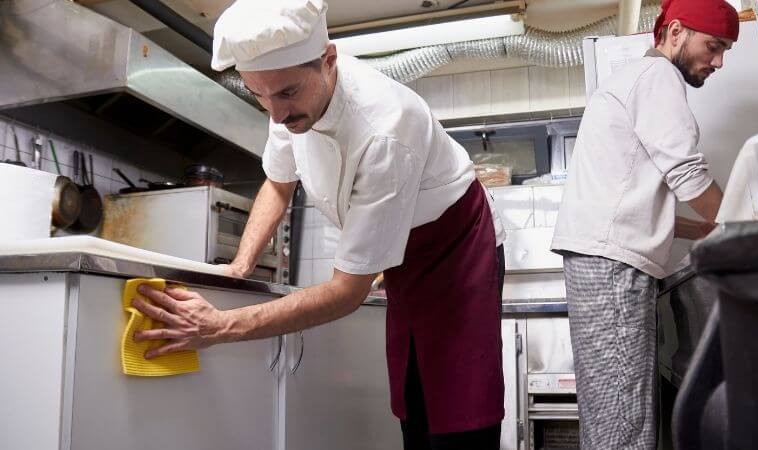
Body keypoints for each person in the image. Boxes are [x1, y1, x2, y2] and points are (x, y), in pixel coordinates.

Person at [131, 0, 507, 448]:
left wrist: (220, 327)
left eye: (286, 94)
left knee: (459, 405)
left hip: (455, 249)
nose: (274, 113)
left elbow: (345, 292)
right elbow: (278, 183)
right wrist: (238, 268)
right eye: (258, 94)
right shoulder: (284, 96)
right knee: (413, 398)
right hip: (404, 256)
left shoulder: (387, 128)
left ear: (329, 61)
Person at [550, 0, 739, 448]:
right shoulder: (657, 78)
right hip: (612, 270)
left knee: (612, 413)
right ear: (675, 32)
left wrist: (704, 230)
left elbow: (632, 199)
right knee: (622, 423)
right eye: (713, 46)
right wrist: (745, 226)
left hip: (601, 264)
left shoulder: (633, 79)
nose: (718, 62)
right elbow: (687, 173)